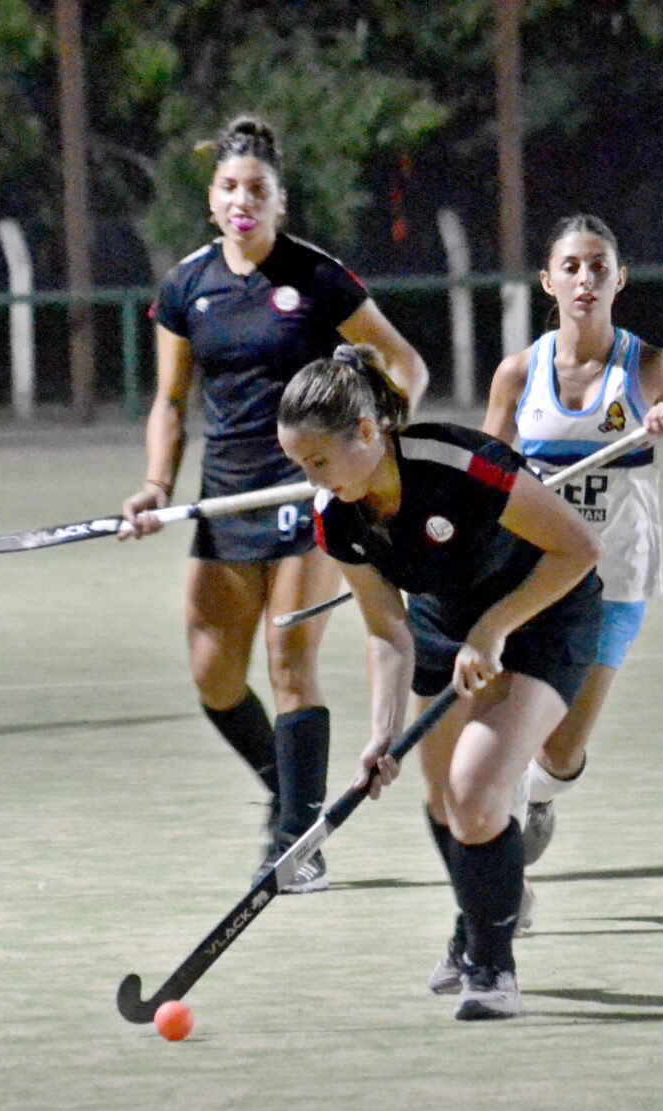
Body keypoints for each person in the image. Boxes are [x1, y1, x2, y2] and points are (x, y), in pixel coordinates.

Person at [120, 116, 427, 894]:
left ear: (279, 201)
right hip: (226, 499)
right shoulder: (186, 287)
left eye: (257, 189)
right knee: (214, 678)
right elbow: (170, 402)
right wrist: (155, 485)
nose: (242, 201)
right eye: (229, 187)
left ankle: (298, 841)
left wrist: (372, 439)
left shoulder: (318, 277)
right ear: (211, 199)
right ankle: (287, 793)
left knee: (290, 663)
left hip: (308, 495)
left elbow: (404, 363)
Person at [278, 345, 602, 1020]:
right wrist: (382, 731)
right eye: (300, 465)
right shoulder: (336, 515)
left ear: (366, 432)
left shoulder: (461, 465)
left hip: (542, 612)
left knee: (475, 791)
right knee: (441, 801)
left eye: (318, 461)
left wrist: (494, 628)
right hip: (443, 618)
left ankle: (492, 966)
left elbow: (578, 548)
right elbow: (387, 628)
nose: (311, 479)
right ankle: (482, 911)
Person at [481, 215, 663, 914]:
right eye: (571, 266)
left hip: (615, 584)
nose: (585, 279)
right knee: (506, 735)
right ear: (548, 281)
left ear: (620, 279)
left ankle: (538, 796)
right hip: (534, 580)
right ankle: (505, 891)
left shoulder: (649, 367)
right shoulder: (518, 375)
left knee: (560, 751)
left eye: (598, 266)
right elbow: (483, 479)